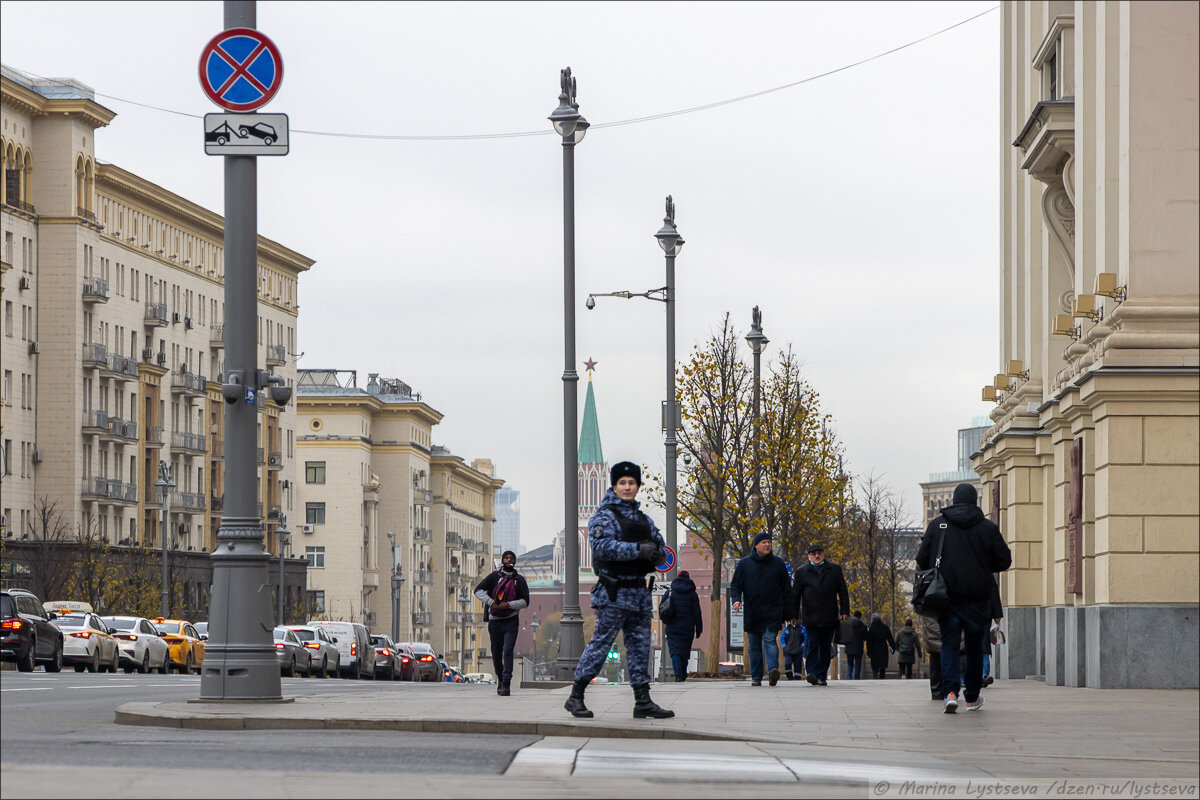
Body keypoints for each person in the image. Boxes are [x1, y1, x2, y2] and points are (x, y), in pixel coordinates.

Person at [565, 462, 674, 720]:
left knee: (640, 648)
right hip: (613, 593)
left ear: (637, 486)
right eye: (622, 482)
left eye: (632, 483)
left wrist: (655, 552)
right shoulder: (604, 516)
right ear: (614, 485)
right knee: (601, 645)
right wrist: (639, 550)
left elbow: (658, 544)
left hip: (639, 593)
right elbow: (603, 547)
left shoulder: (643, 519)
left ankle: (643, 700)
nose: (627, 487)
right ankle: (576, 695)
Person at [916, 482, 1012, 714]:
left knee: (949, 643)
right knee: (974, 647)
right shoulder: (987, 528)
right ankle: (971, 696)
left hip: (945, 597)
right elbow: (1004, 561)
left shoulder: (938, 525)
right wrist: (981, 562)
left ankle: (950, 692)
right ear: (974, 501)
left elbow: (922, 557)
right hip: (977, 597)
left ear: (954, 500)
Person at [730, 532, 791, 687]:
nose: (767, 545)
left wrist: (789, 612)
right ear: (756, 545)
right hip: (753, 611)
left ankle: (772, 672)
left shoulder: (778, 564)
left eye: (769, 542)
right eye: (764, 542)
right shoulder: (745, 564)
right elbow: (736, 585)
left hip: (773, 610)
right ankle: (756, 676)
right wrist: (736, 600)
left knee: (770, 640)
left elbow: (786, 589)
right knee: (754, 645)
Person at [789, 544, 850, 685]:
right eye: (814, 553)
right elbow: (795, 595)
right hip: (810, 616)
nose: (817, 556)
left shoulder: (834, 570)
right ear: (809, 555)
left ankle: (822, 675)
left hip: (829, 615)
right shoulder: (802, 572)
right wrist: (794, 615)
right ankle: (812, 672)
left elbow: (843, 591)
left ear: (823, 554)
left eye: (819, 553)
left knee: (825, 646)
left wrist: (844, 611)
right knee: (812, 645)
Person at [474, 549, 530, 696]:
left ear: (515, 561)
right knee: (496, 653)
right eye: (507, 558)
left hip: (511, 620)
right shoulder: (494, 577)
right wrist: (491, 602)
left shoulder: (520, 580)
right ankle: (500, 678)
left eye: (512, 558)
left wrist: (509, 605)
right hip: (494, 621)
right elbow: (477, 590)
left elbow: (525, 602)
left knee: (508, 651)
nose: (509, 561)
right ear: (502, 561)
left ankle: (506, 683)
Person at [663, 569, 702, 682]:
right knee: (684, 651)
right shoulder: (692, 594)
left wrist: (665, 620)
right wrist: (699, 629)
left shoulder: (670, 591)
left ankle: (678, 674)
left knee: (675, 651)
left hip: (672, 626)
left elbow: (663, 607)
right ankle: (683, 673)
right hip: (687, 628)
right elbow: (697, 612)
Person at [866, 613, 896, 679]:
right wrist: (893, 648)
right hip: (883, 648)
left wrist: (869, 652)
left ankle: (875, 677)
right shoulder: (885, 627)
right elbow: (890, 639)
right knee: (882, 667)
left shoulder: (871, 628)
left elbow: (869, 642)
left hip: (874, 649)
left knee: (875, 666)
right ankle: (882, 679)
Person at [920, 615, 943, 700]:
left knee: (935, 659)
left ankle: (936, 692)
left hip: (932, 632)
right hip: (947, 633)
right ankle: (950, 691)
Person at [844, 610, 869, 680]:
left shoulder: (848, 625)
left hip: (849, 647)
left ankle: (849, 677)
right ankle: (856, 677)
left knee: (850, 663)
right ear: (860, 617)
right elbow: (866, 637)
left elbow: (845, 636)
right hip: (858, 647)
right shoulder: (863, 626)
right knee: (858, 663)